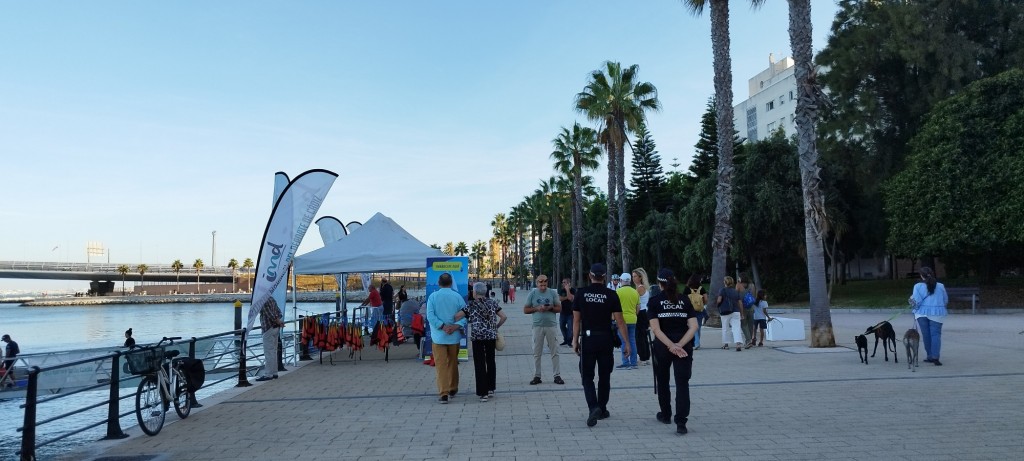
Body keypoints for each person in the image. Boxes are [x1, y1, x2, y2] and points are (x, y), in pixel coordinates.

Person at [573, 263, 630, 427]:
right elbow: (620, 321)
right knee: (605, 376)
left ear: (590, 276)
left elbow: (577, 320)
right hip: (606, 340)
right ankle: (602, 408)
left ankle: (593, 407)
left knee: (587, 376)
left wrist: (574, 340)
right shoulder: (611, 294)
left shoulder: (581, 294)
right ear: (604, 277)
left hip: (589, 339)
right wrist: (627, 343)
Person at [647, 268, 699, 435]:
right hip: (684, 347)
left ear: (659, 283)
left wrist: (671, 346)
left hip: (663, 346)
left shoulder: (654, 301)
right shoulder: (684, 300)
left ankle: (666, 414)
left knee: (663, 381)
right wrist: (680, 345)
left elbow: (656, 330)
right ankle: (681, 422)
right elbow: (694, 327)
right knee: (682, 383)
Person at [455, 282, 507, 402]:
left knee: (479, 364)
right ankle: (491, 388)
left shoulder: (471, 305)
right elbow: (504, 317)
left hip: (477, 337)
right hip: (491, 336)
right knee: (490, 361)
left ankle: (483, 393)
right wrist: (496, 327)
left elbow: (457, 316)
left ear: (474, 292)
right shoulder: (492, 303)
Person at [426, 272, 468, 403]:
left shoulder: (432, 297)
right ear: (451, 283)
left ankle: (443, 392)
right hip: (454, 336)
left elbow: (430, 316)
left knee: (441, 365)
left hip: (438, 337)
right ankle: (453, 387)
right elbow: (465, 315)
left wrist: (442, 326)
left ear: (439, 283)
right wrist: (455, 326)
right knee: (453, 363)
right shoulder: (457, 297)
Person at [524, 274, 563, 385]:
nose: (543, 287)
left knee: (554, 351)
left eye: (545, 284)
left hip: (551, 325)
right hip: (537, 326)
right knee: (537, 352)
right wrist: (536, 308)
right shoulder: (532, 294)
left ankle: (557, 375)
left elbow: (559, 308)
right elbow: (525, 310)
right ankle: (537, 375)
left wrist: (550, 307)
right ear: (537, 283)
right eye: (541, 284)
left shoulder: (552, 293)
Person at [910, 267, 949, 366]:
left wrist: (911, 303)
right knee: (935, 335)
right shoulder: (940, 286)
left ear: (921, 276)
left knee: (926, 335)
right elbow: (945, 300)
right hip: (937, 313)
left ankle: (930, 356)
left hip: (921, 313)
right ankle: (936, 357)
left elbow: (916, 301)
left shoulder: (917, 286)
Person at [256, 298, 285, 381]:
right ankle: (274, 372)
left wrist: (278, 321)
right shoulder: (272, 299)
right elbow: (279, 313)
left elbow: (270, 315)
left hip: (268, 328)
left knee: (268, 352)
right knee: (274, 351)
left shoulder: (263, 300)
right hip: (276, 328)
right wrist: (279, 322)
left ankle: (268, 374)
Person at [615, 272, 640, 370]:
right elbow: (638, 307)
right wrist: (634, 315)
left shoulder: (618, 292)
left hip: (622, 320)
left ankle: (625, 361)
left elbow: (615, 307)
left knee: (624, 341)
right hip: (633, 319)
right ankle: (634, 362)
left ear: (621, 280)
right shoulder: (635, 292)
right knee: (632, 340)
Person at [716, 276, 744, 351]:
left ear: (725, 282)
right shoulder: (735, 291)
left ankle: (726, 345)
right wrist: (742, 313)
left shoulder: (722, 290)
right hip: (736, 312)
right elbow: (740, 303)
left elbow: (719, 300)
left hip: (725, 312)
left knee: (725, 328)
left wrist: (718, 305)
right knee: (736, 328)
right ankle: (738, 344)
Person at [633, 268, 652, 366]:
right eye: (633, 276)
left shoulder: (640, 288)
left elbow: (634, 300)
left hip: (641, 313)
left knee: (639, 336)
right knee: (643, 335)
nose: (633, 278)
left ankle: (642, 357)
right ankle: (645, 356)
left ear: (640, 277)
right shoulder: (642, 287)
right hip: (644, 313)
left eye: (635, 276)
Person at [685, 274, 709, 350]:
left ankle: (696, 342)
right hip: (699, 310)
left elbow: (684, 299)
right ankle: (697, 342)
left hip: (689, 310)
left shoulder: (687, 289)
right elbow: (706, 299)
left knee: (692, 327)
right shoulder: (701, 289)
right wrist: (702, 304)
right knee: (698, 327)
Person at [738, 275, 756, 348]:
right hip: (751, 307)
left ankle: (748, 341)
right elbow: (754, 296)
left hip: (743, 308)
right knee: (750, 325)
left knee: (744, 324)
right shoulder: (752, 286)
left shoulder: (739, 286)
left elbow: (738, 298)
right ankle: (749, 340)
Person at [558, 278, 575, 347]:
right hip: (563, 312)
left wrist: (568, 290)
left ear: (568, 283)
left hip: (571, 313)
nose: (563, 283)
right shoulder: (562, 290)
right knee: (562, 326)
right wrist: (566, 297)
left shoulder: (573, 290)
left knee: (570, 328)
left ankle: (569, 341)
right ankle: (565, 339)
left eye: (564, 282)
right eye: (562, 282)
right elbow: (560, 298)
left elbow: (571, 299)